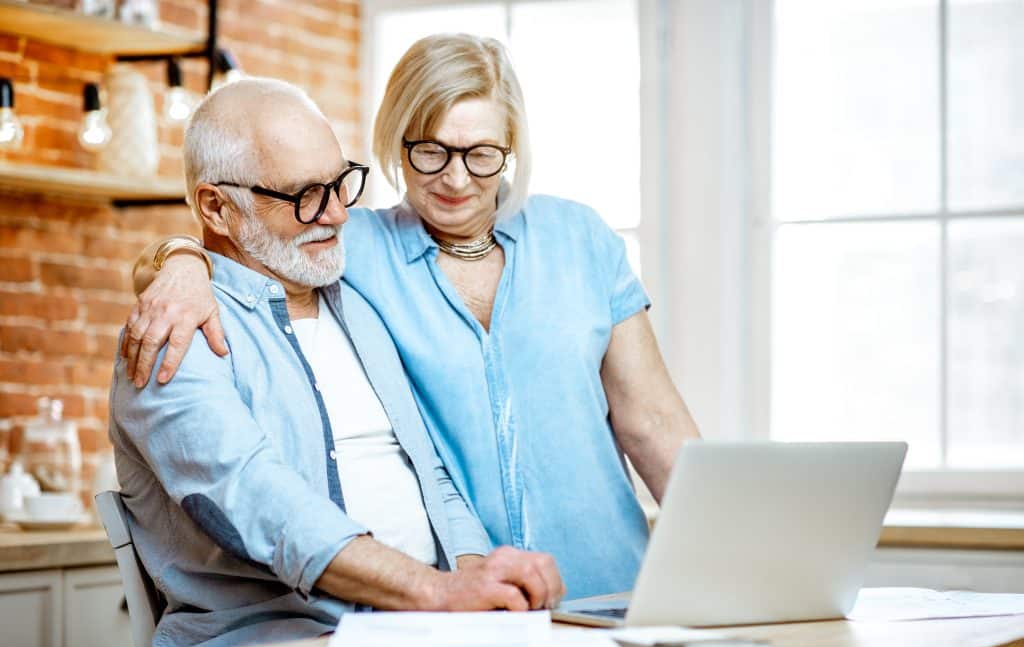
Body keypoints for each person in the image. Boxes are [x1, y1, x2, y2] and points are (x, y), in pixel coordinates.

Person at [124, 34, 700, 600]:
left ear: (512, 148)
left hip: (609, 584)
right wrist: (178, 262)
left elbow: (652, 421)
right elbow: (247, 249)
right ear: (396, 142)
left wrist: (737, 560)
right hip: (474, 598)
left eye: (482, 155)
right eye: (431, 151)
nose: (456, 179)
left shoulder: (580, 240)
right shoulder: (357, 247)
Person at [109, 77, 562, 647]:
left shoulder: (360, 304)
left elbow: (430, 475)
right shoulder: (173, 333)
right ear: (216, 207)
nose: (337, 214)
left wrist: (481, 586)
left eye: (340, 183)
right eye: (304, 195)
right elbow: (258, 502)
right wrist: (438, 591)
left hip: (424, 631)